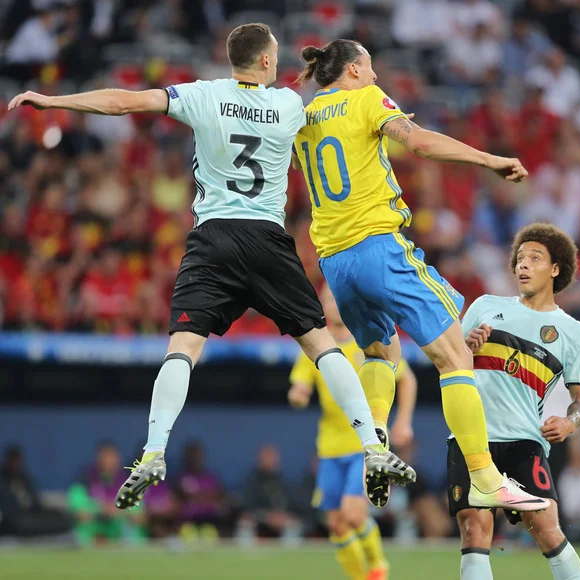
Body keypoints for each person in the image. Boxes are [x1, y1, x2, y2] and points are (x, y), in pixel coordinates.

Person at [7, 23, 413, 510]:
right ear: (266, 62)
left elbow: (124, 102)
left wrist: (54, 102)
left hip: (213, 239)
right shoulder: (288, 105)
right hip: (267, 238)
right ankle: (372, 445)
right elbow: (336, 114)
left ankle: (154, 451)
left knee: (182, 348)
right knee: (323, 345)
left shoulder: (202, 95)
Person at [292, 39, 548, 512]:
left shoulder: (302, 117)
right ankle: (486, 477)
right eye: (369, 66)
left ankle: (374, 446)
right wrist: (490, 160)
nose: (374, 75)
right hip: (377, 246)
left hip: (333, 260)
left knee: (378, 351)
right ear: (351, 69)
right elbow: (420, 141)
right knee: (455, 359)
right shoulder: (364, 98)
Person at [448, 223, 580, 580]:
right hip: (471, 439)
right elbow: (449, 364)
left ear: (556, 269)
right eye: (519, 258)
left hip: (526, 441)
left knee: (547, 531)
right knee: (475, 532)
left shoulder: (573, 331)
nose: (522, 265)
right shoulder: (484, 306)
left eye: (535, 257)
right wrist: (467, 349)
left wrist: (570, 422)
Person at [288, 285, 417, 580]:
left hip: (365, 447)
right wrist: (299, 392)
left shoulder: (367, 340)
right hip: (330, 447)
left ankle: (378, 569)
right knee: (335, 523)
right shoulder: (315, 344)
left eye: (336, 297)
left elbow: (406, 378)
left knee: (354, 515)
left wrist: (403, 422)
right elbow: (301, 382)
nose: (331, 304)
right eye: (326, 299)